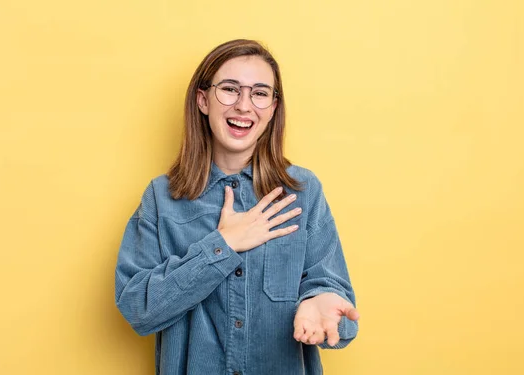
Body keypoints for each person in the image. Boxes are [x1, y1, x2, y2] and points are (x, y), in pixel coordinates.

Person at [114, 39, 360, 375]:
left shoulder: (302, 192)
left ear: (273, 107)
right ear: (203, 100)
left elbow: (341, 319)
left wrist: (322, 304)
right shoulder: (161, 198)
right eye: (230, 89)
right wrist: (223, 245)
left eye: (260, 93)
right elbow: (138, 308)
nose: (244, 105)